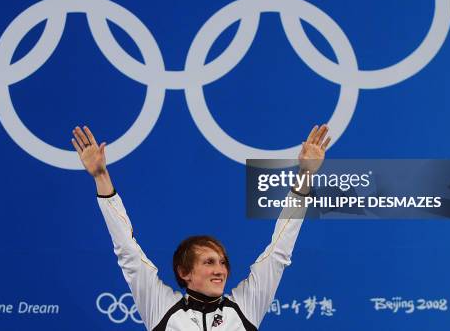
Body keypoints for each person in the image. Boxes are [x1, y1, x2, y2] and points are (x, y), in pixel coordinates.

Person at [71, 124, 331, 331]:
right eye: (208, 262)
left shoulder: (245, 307)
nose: (220, 270)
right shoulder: (160, 307)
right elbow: (127, 251)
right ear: (184, 272)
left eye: (222, 262)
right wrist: (101, 177)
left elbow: (279, 251)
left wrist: (306, 174)